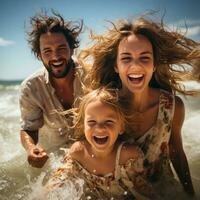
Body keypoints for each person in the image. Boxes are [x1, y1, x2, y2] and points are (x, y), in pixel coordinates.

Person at [79, 16, 200, 198]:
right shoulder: (103, 106)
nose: (135, 65)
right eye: (126, 58)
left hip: (160, 193)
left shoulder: (172, 107)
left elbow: (177, 152)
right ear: (116, 66)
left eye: (144, 58)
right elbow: (84, 152)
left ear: (154, 65)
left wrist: (190, 194)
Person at [45, 87, 156, 200]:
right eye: (92, 122)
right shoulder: (78, 152)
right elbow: (56, 182)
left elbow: (145, 194)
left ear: (121, 127)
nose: (100, 128)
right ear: (83, 127)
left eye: (109, 122)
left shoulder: (127, 157)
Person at [19, 11, 84, 168]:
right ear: (39, 55)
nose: (55, 57)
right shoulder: (31, 88)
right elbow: (28, 129)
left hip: (91, 150)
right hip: (57, 157)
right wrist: (31, 148)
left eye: (61, 48)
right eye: (47, 51)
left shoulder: (92, 75)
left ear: (71, 48)